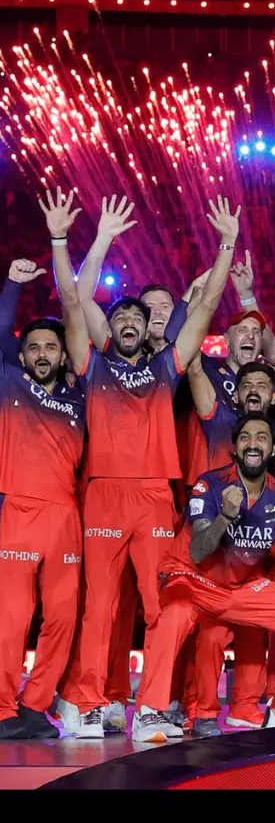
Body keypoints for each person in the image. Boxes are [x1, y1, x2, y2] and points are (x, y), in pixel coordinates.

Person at [48, 192, 239, 739]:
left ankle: (152, 707)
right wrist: (90, 239)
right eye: (121, 316)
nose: (131, 320)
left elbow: (206, 307)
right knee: (100, 606)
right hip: (105, 493)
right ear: (109, 329)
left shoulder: (166, 366)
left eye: (138, 315)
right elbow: (74, 298)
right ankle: (87, 702)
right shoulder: (91, 364)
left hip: (156, 494)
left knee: (161, 604)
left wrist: (227, 244)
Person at [132, 413, 275, 740]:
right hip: (191, 577)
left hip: (239, 588)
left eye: (262, 438)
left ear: (272, 449)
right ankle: (148, 712)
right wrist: (225, 516)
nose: (253, 444)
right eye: (245, 437)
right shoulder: (210, 484)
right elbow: (198, 550)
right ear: (236, 447)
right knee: (175, 614)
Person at [0, 257, 86, 739]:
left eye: (50, 346)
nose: (42, 352)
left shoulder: (80, 397)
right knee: (11, 619)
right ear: (23, 355)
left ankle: (35, 705)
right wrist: (13, 285)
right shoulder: (10, 382)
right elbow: (1, 330)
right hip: (18, 509)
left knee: (63, 618)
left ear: (63, 355)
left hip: (65, 516)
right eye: (33, 346)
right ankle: (1, 709)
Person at [179, 358, 275, 734]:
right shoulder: (221, 418)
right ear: (236, 394)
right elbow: (193, 368)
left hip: (261, 547)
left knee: (255, 627)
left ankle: (245, 705)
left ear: (274, 396)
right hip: (217, 544)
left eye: (262, 385)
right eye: (247, 385)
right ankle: (199, 708)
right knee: (210, 632)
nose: (254, 391)